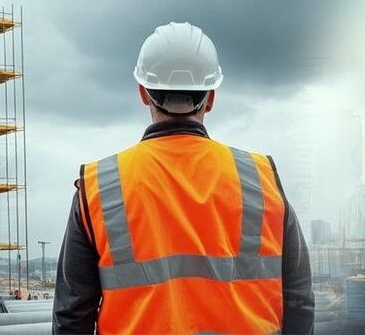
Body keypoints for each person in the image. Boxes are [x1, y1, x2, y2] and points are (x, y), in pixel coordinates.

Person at [53, 22, 314, 334]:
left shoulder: (100, 187)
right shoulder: (261, 180)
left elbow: (71, 316)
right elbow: (299, 300)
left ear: (143, 94)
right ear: (211, 97)